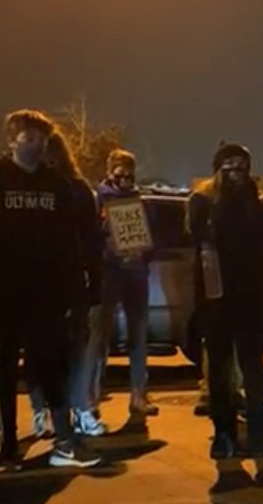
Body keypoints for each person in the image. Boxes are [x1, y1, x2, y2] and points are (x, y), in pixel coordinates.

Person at [0, 110, 101, 471]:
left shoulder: (56, 185)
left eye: (41, 140)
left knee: (51, 366)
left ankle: (64, 440)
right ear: (11, 141)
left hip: (46, 295)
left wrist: (73, 290)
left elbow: (68, 243)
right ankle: (8, 445)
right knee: (5, 371)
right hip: (4, 293)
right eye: (29, 139)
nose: (36, 146)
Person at [187, 143, 263, 458]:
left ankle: (258, 433)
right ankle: (223, 433)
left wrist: (258, 201)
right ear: (217, 169)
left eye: (241, 165)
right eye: (228, 165)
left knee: (252, 368)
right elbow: (197, 237)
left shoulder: (257, 201)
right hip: (216, 299)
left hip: (250, 299)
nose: (235, 171)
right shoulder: (202, 201)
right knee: (219, 372)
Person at [28, 131, 106, 438]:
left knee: (76, 350)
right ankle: (41, 412)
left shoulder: (76, 190)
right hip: (38, 280)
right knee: (40, 351)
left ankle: (79, 409)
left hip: (72, 280)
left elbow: (91, 239)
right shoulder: (31, 189)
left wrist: (94, 279)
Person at [90, 149, 160, 430]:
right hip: (109, 274)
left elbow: (154, 236)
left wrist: (145, 250)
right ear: (110, 172)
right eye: (120, 175)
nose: (125, 181)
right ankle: (91, 398)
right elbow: (91, 235)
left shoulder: (141, 201)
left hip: (136, 273)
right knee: (99, 338)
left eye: (130, 175)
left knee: (138, 336)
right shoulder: (98, 199)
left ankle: (138, 395)